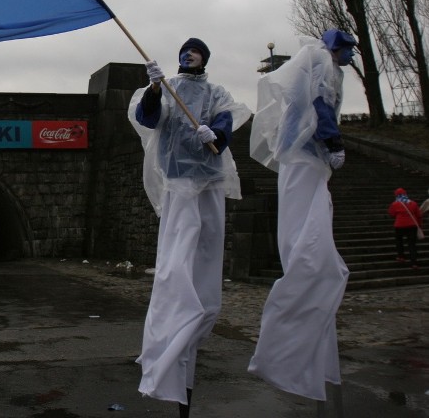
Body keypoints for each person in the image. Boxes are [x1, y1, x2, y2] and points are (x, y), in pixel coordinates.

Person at [127, 37, 251, 417]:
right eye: (184, 50)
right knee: (176, 263)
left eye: (194, 51)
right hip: (180, 182)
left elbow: (226, 119)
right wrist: (152, 89)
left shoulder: (215, 92)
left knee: (208, 256)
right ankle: (171, 339)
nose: (187, 54)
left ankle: (191, 335)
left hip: (209, 182)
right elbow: (149, 119)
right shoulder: (169, 89)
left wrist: (217, 134)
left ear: (205, 58)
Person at [247, 29, 357, 402]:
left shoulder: (318, 62)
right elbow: (318, 103)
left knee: (307, 242)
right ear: (337, 49)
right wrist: (332, 140)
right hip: (305, 156)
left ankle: (302, 345)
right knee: (306, 246)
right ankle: (287, 346)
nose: (349, 58)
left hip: (305, 159)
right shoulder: (320, 62)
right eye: (348, 51)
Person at [388, 188, 422, 268]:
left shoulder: (395, 204)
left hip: (399, 226)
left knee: (399, 241)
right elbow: (419, 216)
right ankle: (414, 262)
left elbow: (391, 214)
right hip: (412, 226)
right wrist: (419, 226)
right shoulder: (413, 203)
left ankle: (401, 256)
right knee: (412, 244)